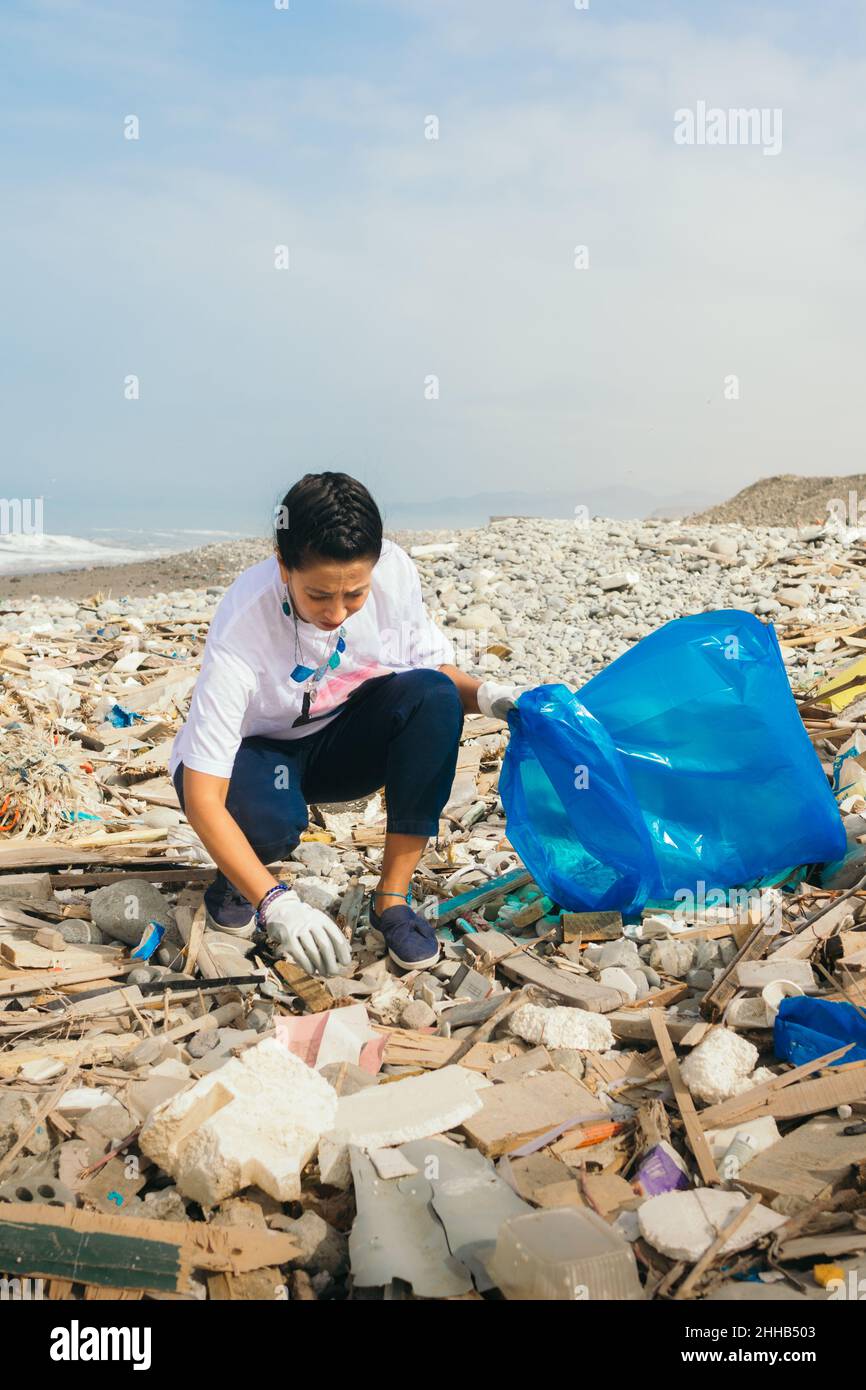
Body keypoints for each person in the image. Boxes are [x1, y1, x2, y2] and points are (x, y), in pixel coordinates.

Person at [169, 472, 517, 977]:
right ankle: (241, 875)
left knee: (434, 695)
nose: (337, 612)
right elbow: (203, 795)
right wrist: (277, 904)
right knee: (268, 822)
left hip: (340, 739)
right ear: (282, 563)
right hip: (257, 755)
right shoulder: (244, 626)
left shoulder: (393, 572)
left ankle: (392, 899)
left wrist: (491, 697)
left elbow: (432, 670)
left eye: (354, 594)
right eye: (318, 596)